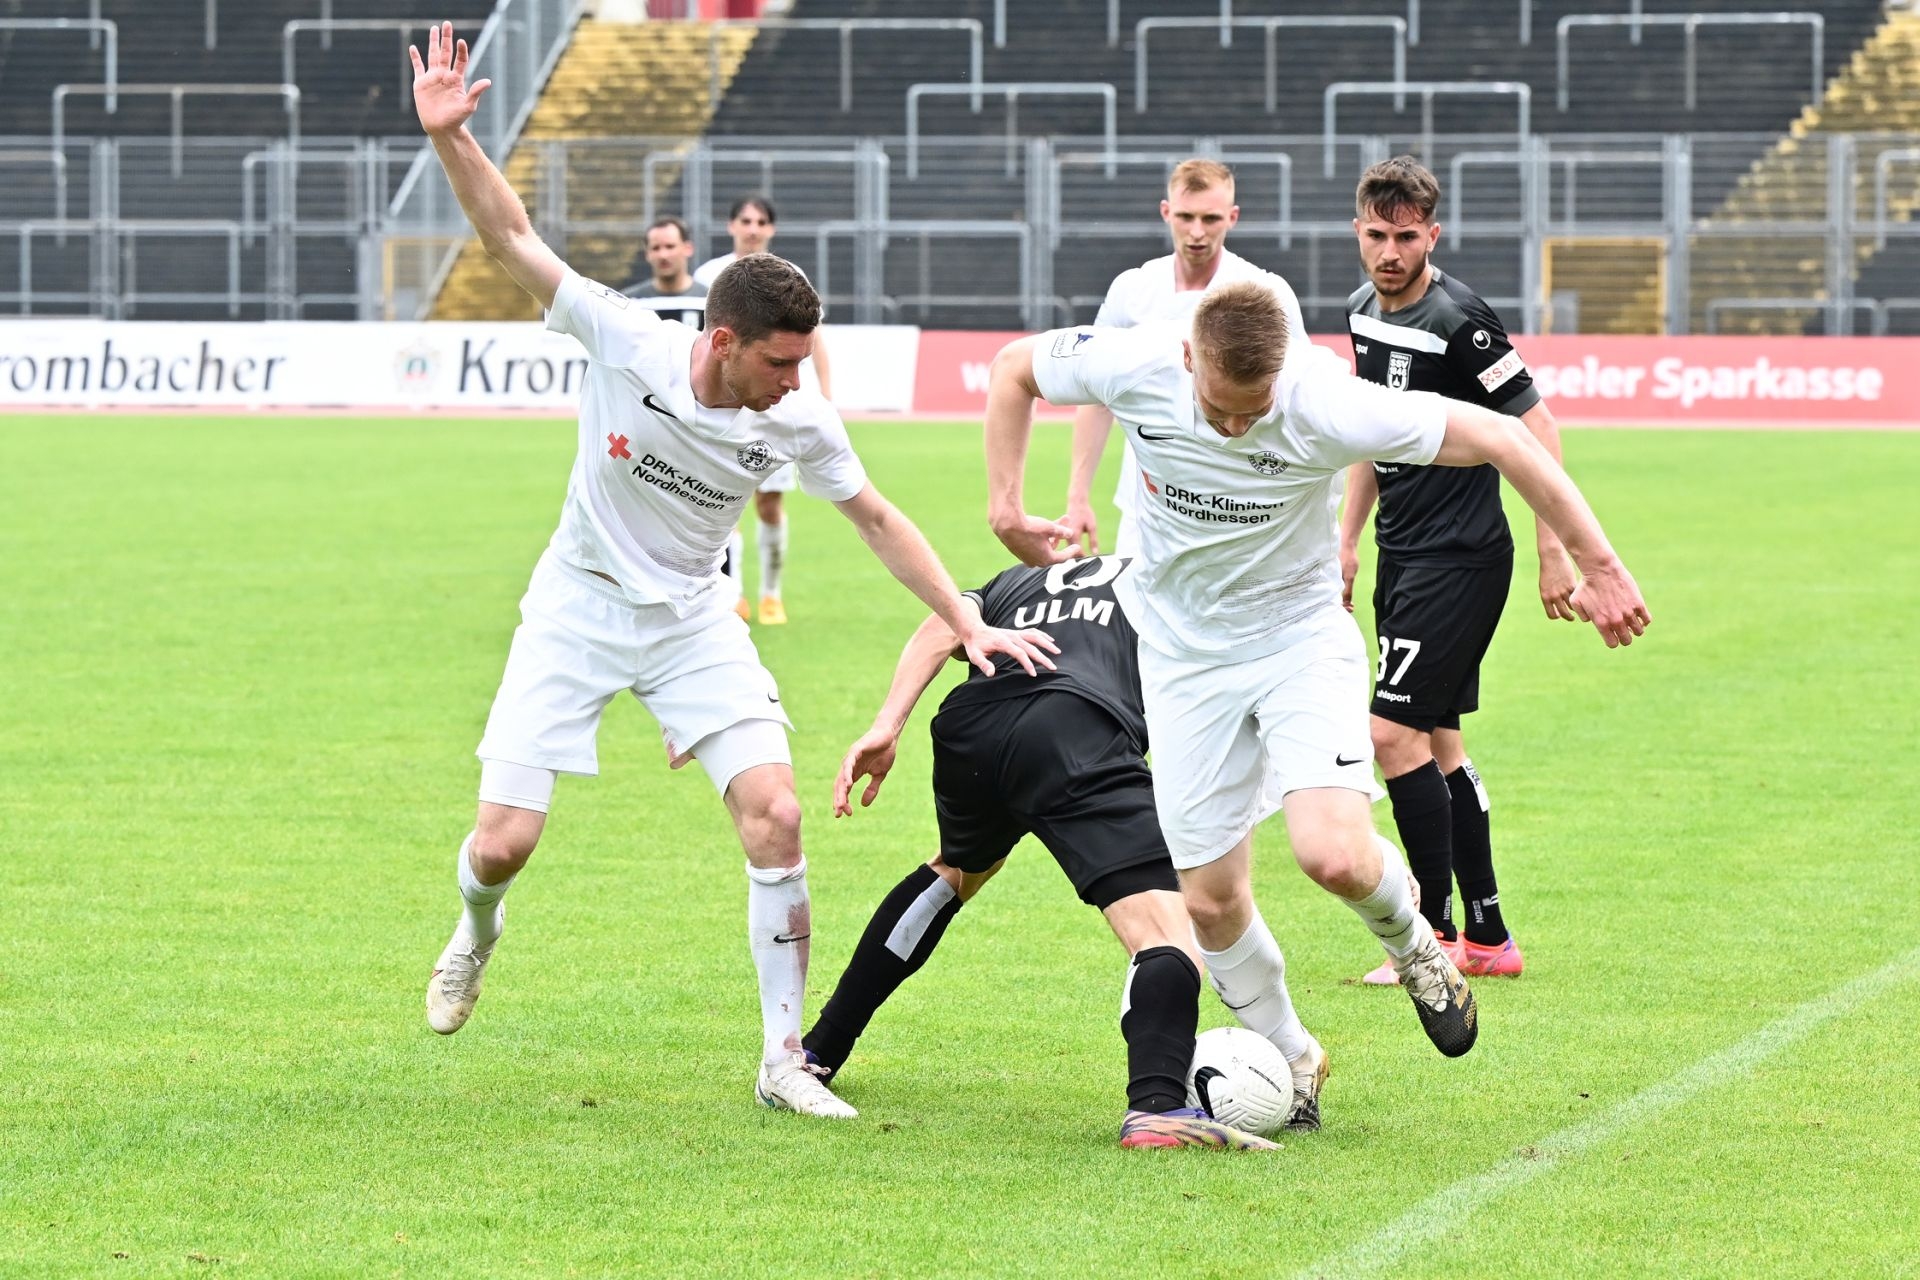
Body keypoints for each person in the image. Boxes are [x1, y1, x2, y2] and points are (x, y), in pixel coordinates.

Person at [409, 23, 1056, 1119]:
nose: (797, 380)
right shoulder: (628, 342)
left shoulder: (800, 418)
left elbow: (876, 517)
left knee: (777, 815)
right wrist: (450, 139)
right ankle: (477, 930)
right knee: (503, 843)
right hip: (575, 607)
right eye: (780, 359)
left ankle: (782, 1060)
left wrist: (966, 616)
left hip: (694, 621)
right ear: (720, 341)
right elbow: (512, 236)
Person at [983, 281, 1651, 1067]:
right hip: (1180, 658)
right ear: (1188, 357)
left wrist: (1598, 563)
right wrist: (1005, 507)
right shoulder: (1134, 363)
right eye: (1219, 409)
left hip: (1296, 641)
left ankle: (1416, 947)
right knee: (1209, 902)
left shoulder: (1323, 401)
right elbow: (1013, 368)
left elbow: (1506, 435)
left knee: (1333, 855)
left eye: (1254, 410)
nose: (1236, 427)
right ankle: (1295, 1060)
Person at [804, 554, 1321, 1151]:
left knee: (958, 870)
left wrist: (887, 726)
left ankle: (818, 1050)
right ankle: (1157, 1107)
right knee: (1165, 932)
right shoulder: (1168, 578)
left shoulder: (1019, 579)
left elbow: (941, 627)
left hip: (970, 729)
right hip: (1074, 727)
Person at [1340, 156, 1580, 985]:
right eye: (1378, 235)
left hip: (1460, 558)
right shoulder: (1362, 312)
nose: (1391, 252)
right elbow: (1369, 432)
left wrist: (1555, 549)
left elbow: (1538, 429)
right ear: (1358, 232)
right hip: (1402, 554)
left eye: (1407, 237)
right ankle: (1487, 938)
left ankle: (1433, 939)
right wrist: (1346, 538)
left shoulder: (1461, 321)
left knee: (1390, 736)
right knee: (1438, 742)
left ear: (1432, 236)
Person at [1063, 159, 1306, 559]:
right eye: (1185, 217)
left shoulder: (1266, 292)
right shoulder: (1132, 290)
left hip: (1237, 505)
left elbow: (1298, 398)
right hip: (1145, 505)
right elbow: (1095, 393)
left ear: (1232, 217)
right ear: (1166, 212)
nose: (1196, 232)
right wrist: (1077, 497)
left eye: (1210, 219)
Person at [697, 195, 834, 626]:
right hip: (725, 406)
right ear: (731, 226)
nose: (753, 228)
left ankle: (771, 594)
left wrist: (826, 396)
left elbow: (814, 340)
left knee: (769, 504)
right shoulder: (708, 276)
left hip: (773, 406)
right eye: (745, 220)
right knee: (723, 502)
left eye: (760, 221)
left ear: (770, 229)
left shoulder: (792, 277)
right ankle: (732, 593)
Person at [621, 215, 708, 328]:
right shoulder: (629, 302)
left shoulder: (709, 300)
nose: (663, 255)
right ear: (647, 254)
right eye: (656, 248)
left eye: (670, 246)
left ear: (688, 248)